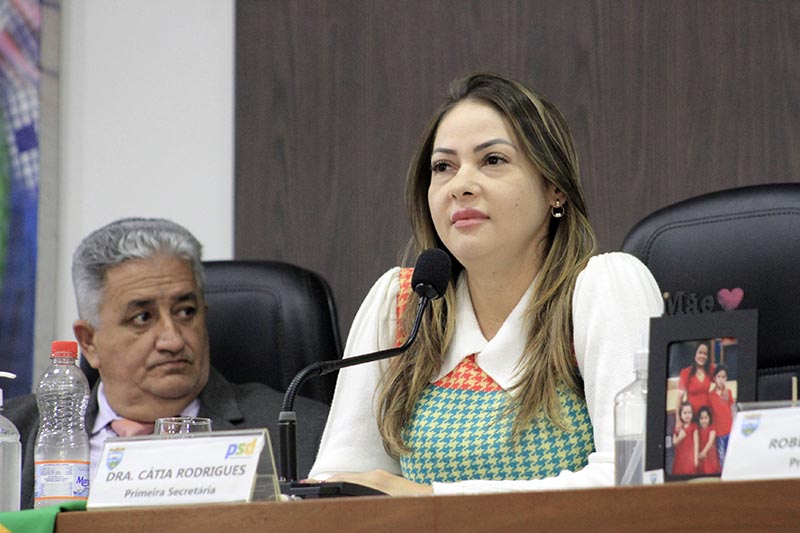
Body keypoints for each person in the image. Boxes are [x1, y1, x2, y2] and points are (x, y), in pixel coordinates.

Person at [307, 73, 663, 495]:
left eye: (493, 160)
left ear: (555, 188)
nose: (460, 186)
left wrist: (432, 500)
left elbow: (636, 477)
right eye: (443, 167)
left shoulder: (604, 289)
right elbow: (340, 486)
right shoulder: (404, 305)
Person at [4, 218, 329, 508]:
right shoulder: (11, 432)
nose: (172, 340)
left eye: (186, 312)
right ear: (89, 341)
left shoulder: (310, 435)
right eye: (142, 318)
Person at [675, 342, 715, 430]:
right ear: (694, 354)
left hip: (706, 416)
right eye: (700, 352)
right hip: (692, 416)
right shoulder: (686, 372)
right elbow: (679, 398)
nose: (702, 356)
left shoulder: (710, 370)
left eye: (705, 354)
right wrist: (678, 419)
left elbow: (721, 380)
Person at [708, 364, 734, 468]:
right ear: (714, 378)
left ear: (726, 378)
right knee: (721, 457)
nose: (721, 379)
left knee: (730, 454)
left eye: (723, 377)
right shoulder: (710, 396)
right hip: (719, 432)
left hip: (729, 429)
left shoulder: (728, 393)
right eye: (718, 377)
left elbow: (731, 409)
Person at [671, 402, 697, 476]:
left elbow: (696, 443)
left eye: (689, 413)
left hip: (690, 458)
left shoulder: (694, 427)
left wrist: (695, 459)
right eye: (685, 413)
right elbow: (674, 442)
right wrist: (680, 438)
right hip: (680, 457)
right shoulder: (678, 428)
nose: (687, 415)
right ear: (680, 414)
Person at [695, 406, 720, 475]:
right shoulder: (698, 429)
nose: (704, 421)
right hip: (700, 452)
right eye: (701, 418)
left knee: (710, 470)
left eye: (706, 418)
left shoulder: (712, 428)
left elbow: (710, 441)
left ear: (709, 418)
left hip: (709, 453)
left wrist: (704, 452)